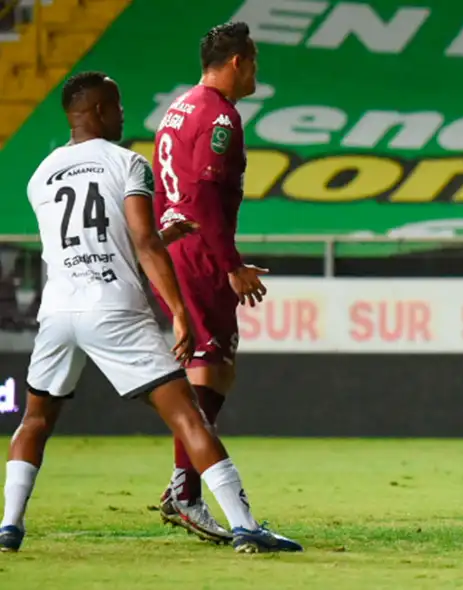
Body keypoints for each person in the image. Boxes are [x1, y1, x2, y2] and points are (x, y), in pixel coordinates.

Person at [0, 72, 301, 553]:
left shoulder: (42, 174)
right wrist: (179, 311)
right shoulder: (128, 164)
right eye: (116, 105)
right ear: (97, 110)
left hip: (57, 312)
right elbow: (139, 241)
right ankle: (245, 526)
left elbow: (90, 240)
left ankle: (9, 526)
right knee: (189, 417)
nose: (122, 114)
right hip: (113, 309)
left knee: (35, 420)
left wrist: (172, 236)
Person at [151, 21, 269, 543]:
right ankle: (186, 491)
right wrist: (230, 263)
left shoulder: (180, 107)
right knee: (206, 362)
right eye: (255, 61)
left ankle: (185, 485)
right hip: (199, 252)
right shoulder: (220, 118)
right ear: (238, 61)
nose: (257, 72)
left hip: (180, 246)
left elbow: (169, 190)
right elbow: (201, 198)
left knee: (219, 368)